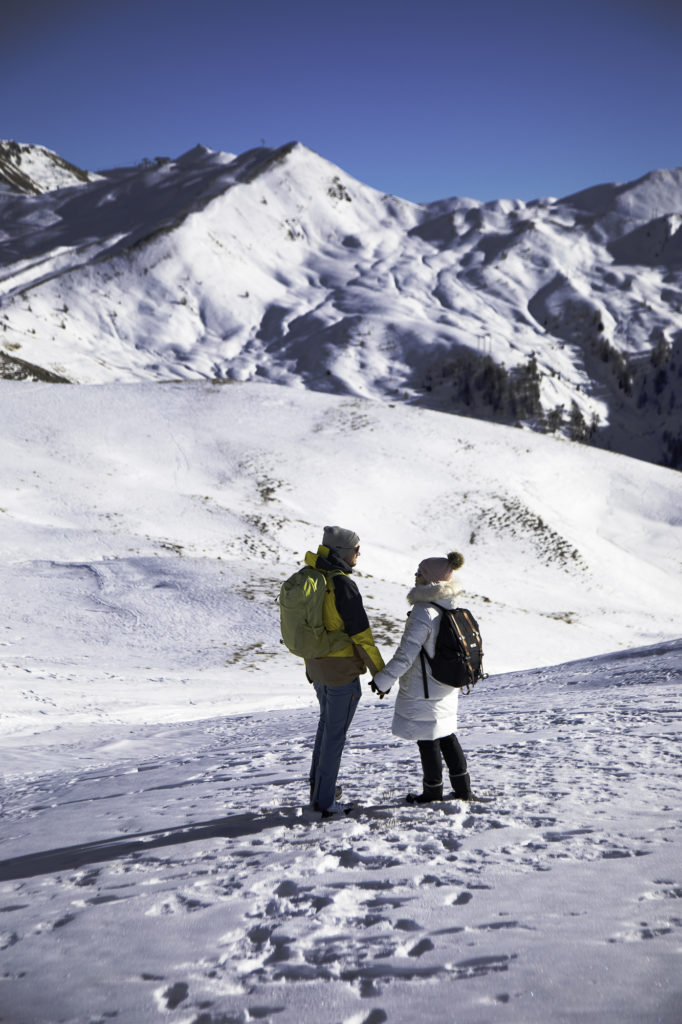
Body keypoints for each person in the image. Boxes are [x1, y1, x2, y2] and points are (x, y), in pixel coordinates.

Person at [370, 551, 473, 803]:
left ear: (431, 580)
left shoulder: (423, 612)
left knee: (428, 739)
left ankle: (432, 792)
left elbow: (405, 656)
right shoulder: (450, 606)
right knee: (446, 734)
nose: (415, 577)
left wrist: (382, 681)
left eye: (420, 573)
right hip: (446, 684)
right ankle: (463, 790)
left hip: (424, 687)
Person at [304, 526, 385, 818]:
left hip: (317, 668)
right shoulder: (341, 584)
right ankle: (324, 803)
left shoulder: (312, 576)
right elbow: (362, 635)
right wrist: (381, 674)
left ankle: (318, 791)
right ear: (341, 552)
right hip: (340, 672)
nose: (358, 554)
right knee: (334, 736)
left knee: (326, 729)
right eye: (355, 549)